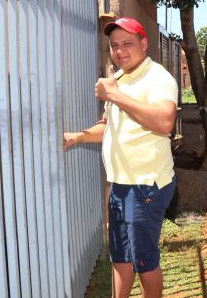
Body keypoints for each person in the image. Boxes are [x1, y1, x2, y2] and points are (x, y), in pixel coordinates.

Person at [62, 17, 178, 298]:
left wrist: (115, 95)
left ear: (144, 43)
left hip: (146, 186)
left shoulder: (158, 77)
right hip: (121, 184)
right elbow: (109, 127)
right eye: (114, 45)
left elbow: (165, 122)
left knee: (143, 260)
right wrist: (77, 137)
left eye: (127, 43)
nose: (120, 50)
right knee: (120, 257)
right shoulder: (121, 79)